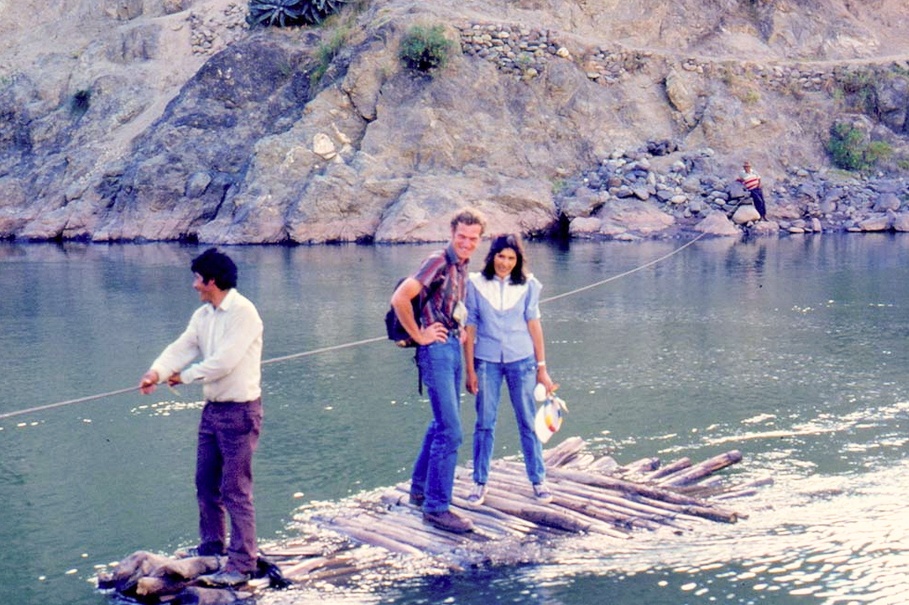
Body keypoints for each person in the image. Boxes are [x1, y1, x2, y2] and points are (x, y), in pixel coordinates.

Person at [138, 248, 264, 587]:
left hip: (240, 412)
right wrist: (157, 372)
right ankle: (212, 547)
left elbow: (225, 361)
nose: (194, 285)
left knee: (235, 488)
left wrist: (185, 376)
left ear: (212, 280)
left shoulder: (244, 313)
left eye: (197, 278)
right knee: (205, 482)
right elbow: (183, 347)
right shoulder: (203, 316)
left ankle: (242, 563)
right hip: (213, 411)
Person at [390, 207, 487, 534]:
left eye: (473, 239)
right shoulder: (439, 261)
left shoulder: (462, 265)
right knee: (451, 431)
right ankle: (436, 507)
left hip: (451, 345)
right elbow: (400, 298)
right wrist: (419, 335)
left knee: (441, 423)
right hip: (436, 352)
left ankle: (419, 489)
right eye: (462, 237)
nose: (467, 243)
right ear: (451, 233)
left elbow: (447, 306)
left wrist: (456, 328)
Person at [463, 234, 558, 507]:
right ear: (492, 256)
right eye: (501, 256)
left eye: (511, 258)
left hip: (522, 360)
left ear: (518, 261)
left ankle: (538, 479)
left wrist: (542, 368)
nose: (505, 263)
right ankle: (479, 482)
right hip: (486, 361)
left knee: (528, 421)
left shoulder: (528, 285)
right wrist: (469, 369)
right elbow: (470, 327)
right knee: (484, 423)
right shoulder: (475, 284)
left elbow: (534, 325)